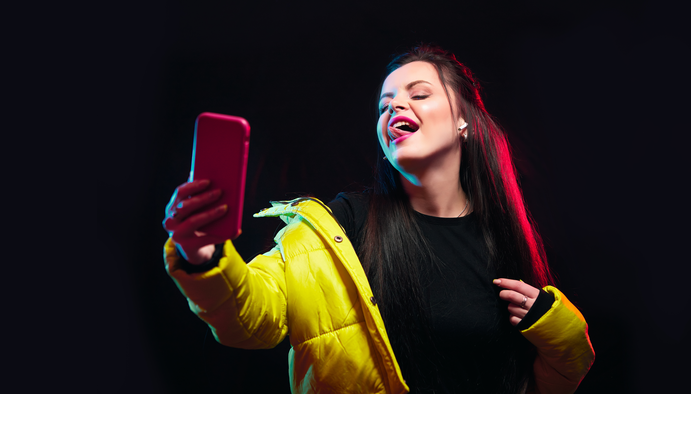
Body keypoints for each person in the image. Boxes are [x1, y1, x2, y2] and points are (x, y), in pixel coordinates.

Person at [162, 45, 595, 393]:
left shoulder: (503, 241)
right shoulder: (336, 229)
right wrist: (204, 258)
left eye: (418, 94)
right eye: (384, 105)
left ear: (464, 119)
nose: (394, 109)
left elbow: (552, 387)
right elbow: (252, 316)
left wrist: (556, 325)